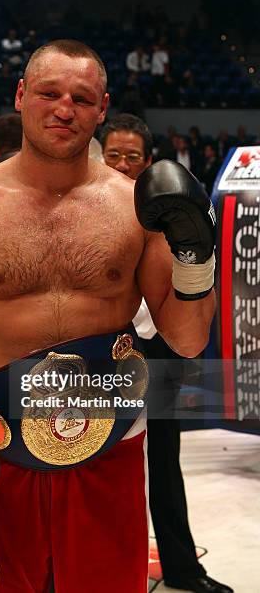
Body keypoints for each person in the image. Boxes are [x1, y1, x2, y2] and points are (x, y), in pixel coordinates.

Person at [0, 40, 216, 593]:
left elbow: (186, 339)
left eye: (82, 98)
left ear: (101, 109)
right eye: (49, 92)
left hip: (107, 449)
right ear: (21, 96)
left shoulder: (135, 208)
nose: (64, 109)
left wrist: (195, 257)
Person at [101, 113, 232, 593]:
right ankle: (100, 568)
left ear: (148, 162)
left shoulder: (166, 210)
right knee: (96, 464)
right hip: (103, 359)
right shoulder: (85, 211)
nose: (122, 164)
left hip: (158, 351)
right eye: (113, 154)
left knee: (164, 460)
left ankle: (182, 568)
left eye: (132, 156)